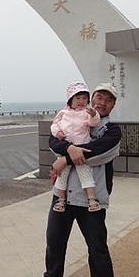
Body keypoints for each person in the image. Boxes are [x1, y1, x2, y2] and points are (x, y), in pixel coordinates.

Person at [35, 83, 121, 277]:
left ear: (113, 105)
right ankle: (52, 276)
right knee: (54, 238)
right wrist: (69, 149)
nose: (102, 102)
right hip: (63, 194)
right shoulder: (74, 117)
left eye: (108, 100)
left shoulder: (111, 130)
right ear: (92, 98)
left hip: (91, 198)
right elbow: (54, 141)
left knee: (97, 245)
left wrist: (65, 158)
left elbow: (99, 153)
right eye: (99, 97)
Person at [49, 81, 101, 213]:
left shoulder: (87, 112)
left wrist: (94, 115)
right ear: (70, 99)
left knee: (85, 174)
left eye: (84, 98)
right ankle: (61, 199)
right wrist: (58, 133)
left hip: (81, 149)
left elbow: (93, 123)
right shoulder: (63, 113)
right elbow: (54, 126)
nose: (81, 101)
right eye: (77, 98)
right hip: (67, 148)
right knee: (62, 175)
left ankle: (91, 198)